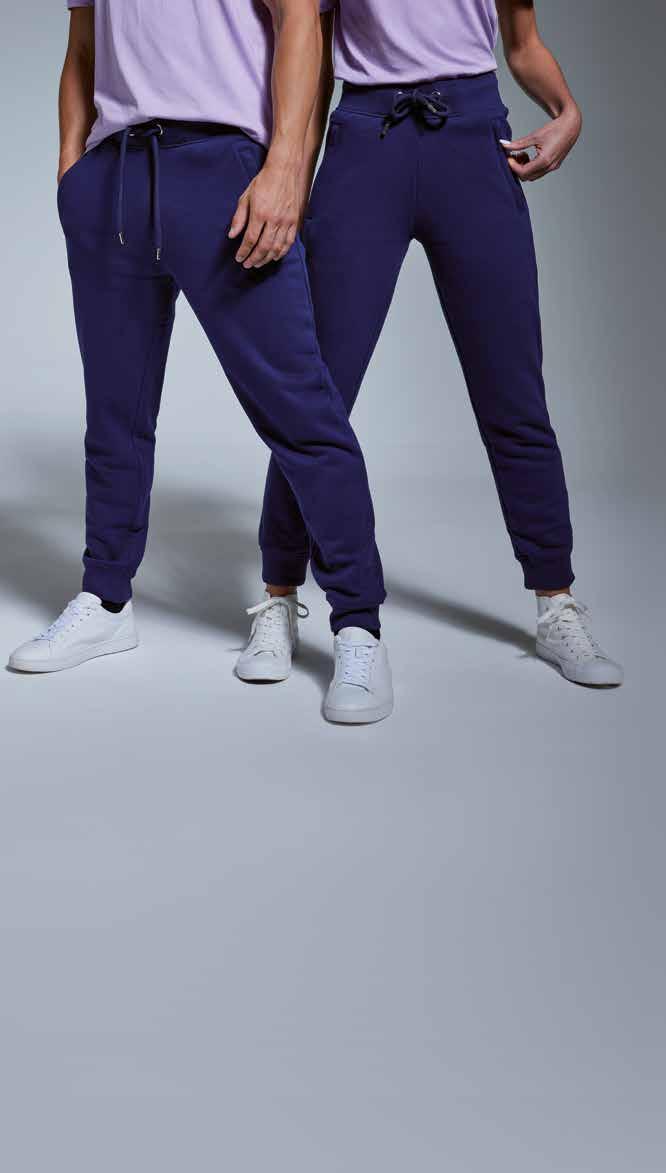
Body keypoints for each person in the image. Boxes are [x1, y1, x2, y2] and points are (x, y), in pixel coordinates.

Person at [7, 0, 394, 725]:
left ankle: (358, 625)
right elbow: (83, 46)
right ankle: (106, 599)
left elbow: (300, 21)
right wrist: (72, 172)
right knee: (115, 413)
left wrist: (285, 167)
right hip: (114, 177)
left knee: (301, 412)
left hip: (226, 173)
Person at [254, 0, 623, 687]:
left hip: (473, 141)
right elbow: (314, 51)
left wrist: (567, 111)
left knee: (512, 389)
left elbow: (523, 44)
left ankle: (557, 601)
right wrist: (294, 176)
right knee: (317, 393)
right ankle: (279, 596)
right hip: (365, 142)